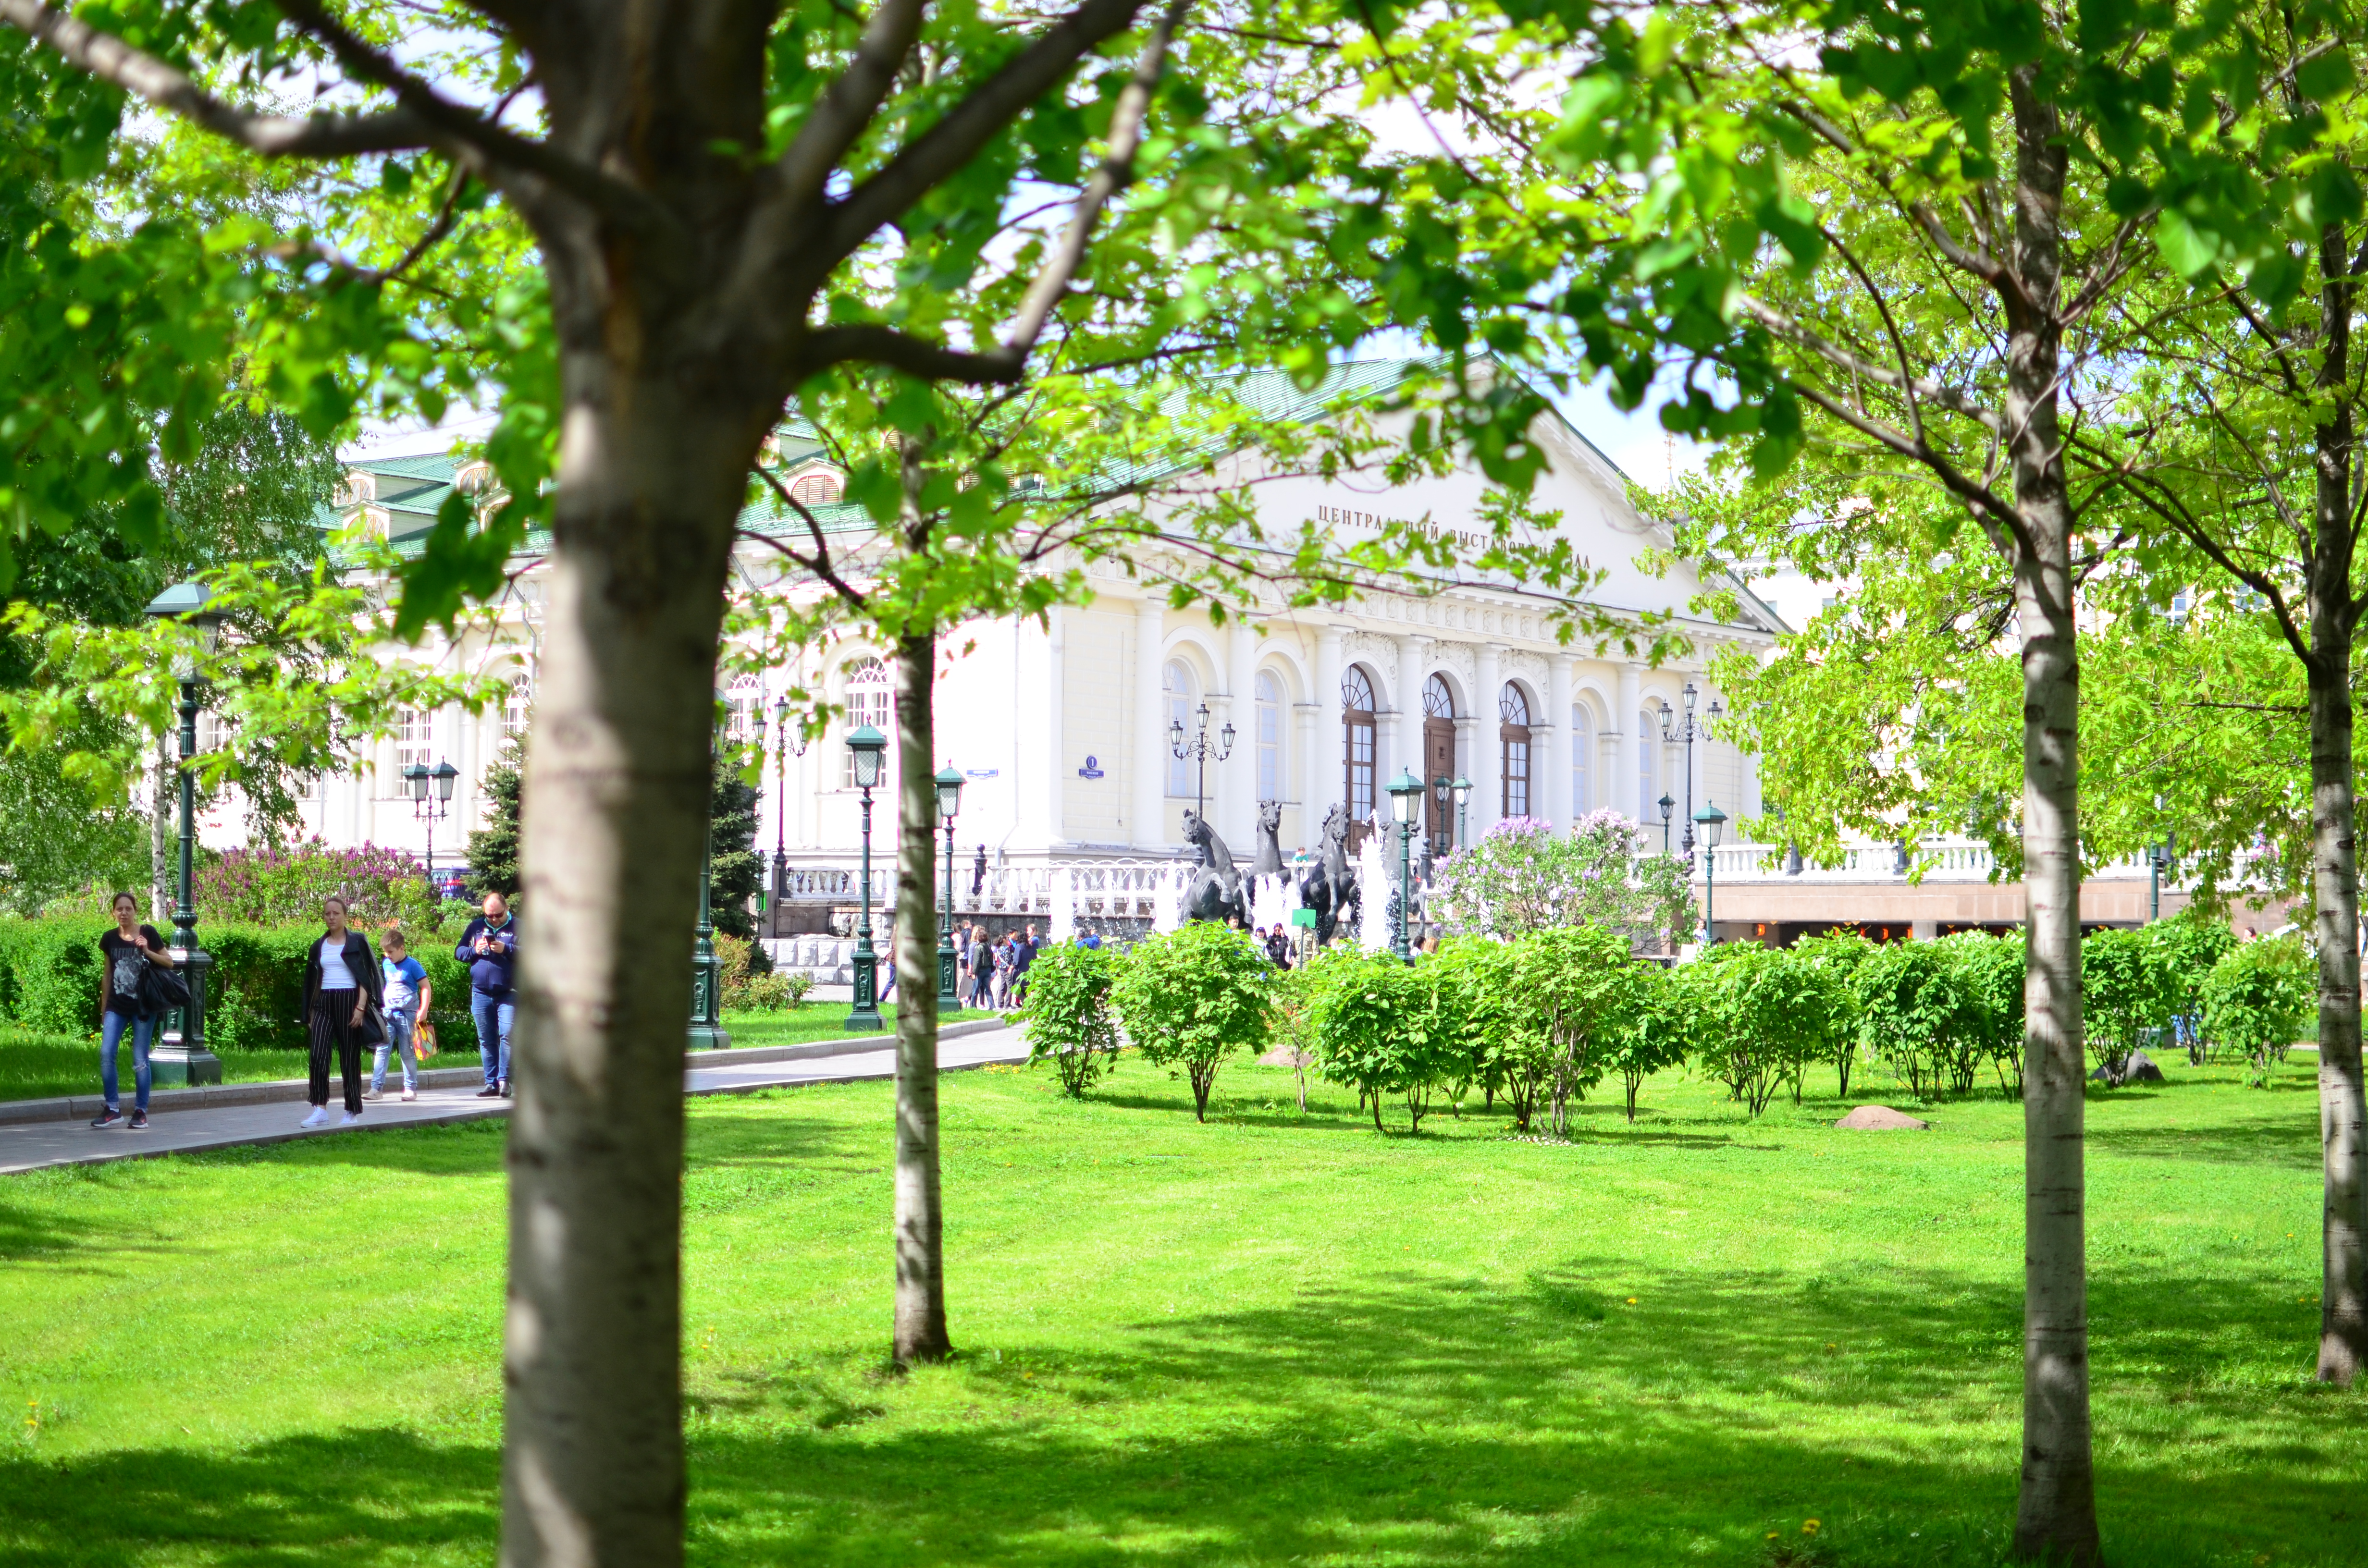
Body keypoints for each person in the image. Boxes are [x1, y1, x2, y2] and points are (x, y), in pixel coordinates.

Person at [91, 891, 174, 1130]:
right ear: (114, 912)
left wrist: (147, 951)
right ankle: (112, 1109)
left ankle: (140, 1112)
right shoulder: (109, 939)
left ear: (135, 911)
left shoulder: (148, 933)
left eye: (128, 909)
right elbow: (107, 974)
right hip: (117, 1007)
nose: (124, 913)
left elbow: (169, 962)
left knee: (140, 1060)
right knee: (107, 1054)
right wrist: (104, 1007)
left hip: (143, 1007)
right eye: (120, 909)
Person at [300, 895, 383, 1127]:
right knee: (317, 1055)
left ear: (345, 916)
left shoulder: (357, 942)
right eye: (327, 914)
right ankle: (320, 1108)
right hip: (324, 1003)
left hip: (351, 1002)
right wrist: (308, 1013)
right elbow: (310, 982)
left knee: (349, 1059)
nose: (331, 917)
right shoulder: (318, 946)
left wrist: (360, 1007)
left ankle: (351, 1111)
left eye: (336, 913)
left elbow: (366, 978)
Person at [457, 891, 519, 1098]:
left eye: (497, 915)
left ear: (507, 909)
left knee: (507, 1035)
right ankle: (491, 1083)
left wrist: (507, 949)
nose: (493, 919)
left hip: (508, 993)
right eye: (489, 916)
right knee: (486, 1039)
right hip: (480, 992)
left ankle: (505, 1081)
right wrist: (475, 950)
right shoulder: (476, 927)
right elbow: (459, 953)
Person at [367, 927, 432, 1102]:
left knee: (407, 1052)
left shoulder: (413, 966)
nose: (388, 955)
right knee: (382, 1050)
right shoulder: (387, 964)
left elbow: (426, 987)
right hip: (388, 1014)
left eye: (391, 952)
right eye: (385, 952)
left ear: (402, 948)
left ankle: (410, 1088)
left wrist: (423, 1009)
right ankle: (376, 1088)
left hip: (407, 1015)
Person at [1010, 922, 1040, 1006]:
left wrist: (1011, 967)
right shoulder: (1029, 946)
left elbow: (1016, 960)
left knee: (1015, 987)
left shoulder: (1021, 946)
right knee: (1026, 988)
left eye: (1029, 930)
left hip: (1019, 971)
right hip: (1028, 969)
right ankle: (1026, 1002)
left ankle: (1025, 1001)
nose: (1028, 932)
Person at [969, 925, 994, 1008]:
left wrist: (974, 973)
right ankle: (992, 1006)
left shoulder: (979, 948)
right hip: (988, 970)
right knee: (988, 989)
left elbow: (976, 962)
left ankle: (973, 1006)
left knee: (975, 989)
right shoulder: (988, 946)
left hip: (980, 971)